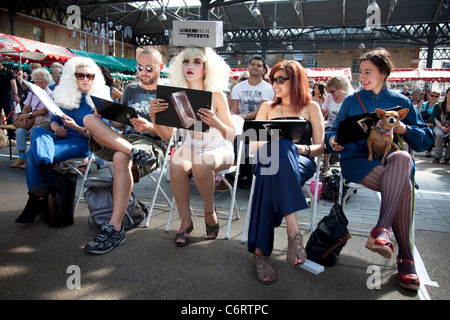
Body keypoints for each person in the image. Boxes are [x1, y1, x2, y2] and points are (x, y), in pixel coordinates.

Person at [326, 48, 434, 291]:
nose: (361, 77)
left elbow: (426, 139)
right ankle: (406, 259)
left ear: (384, 73)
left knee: (403, 158)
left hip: (391, 161)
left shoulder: (402, 102)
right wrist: (332, 141)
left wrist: (405, 130)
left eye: (368, 72)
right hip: (357, 160)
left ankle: (382, 229)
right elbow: (332, 132)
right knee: (402, 183)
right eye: (360, 72)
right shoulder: (352, 101)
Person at [83, 47, 168, 255]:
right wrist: (105, 113)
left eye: (149, 68)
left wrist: (147, 126)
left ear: (160, 67)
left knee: (122, 156)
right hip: (124, 140)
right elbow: (120, 124)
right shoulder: (130, 89)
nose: (144, 72)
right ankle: (131, 151)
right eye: (140, 67)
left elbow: (167, 135)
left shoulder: (168, 94)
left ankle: (115, 228)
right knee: (89, 119)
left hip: (151, 145)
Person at [247, 60, 324, 284]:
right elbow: (253, 146)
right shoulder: (266, 108)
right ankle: (294, 231)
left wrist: (298, 147)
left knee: (278, 160)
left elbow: (320, 147)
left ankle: (260, 254)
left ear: (296, 81)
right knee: (278, 149)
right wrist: (278, 143)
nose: (275, 84)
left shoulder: (312, 108)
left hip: (300, 160)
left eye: (281, 79)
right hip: (265, 159)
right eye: (273, 79)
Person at [150, 47, 235, 246]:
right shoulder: (176, 94)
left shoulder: (216, 95)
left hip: (220, 147)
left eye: (197, 61)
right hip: (192, 145)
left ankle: (209, 211)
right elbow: (166, 135)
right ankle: (186, 222)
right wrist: (153, 116)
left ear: (207, 67)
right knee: (176, 165)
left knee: (201, 164)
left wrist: (217, 123)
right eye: (186, 62)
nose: (190, 66)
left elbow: (231, 135)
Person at [15, 57, 110, 224]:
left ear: (96, 78)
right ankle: (45, 181)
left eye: (90, 76)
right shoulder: (68, 97)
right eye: (80, 75)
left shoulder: (99, 101)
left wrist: (74, 127)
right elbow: (54, 119)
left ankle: (37, 198)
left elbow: (100, 136)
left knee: (31, 155)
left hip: (81, 141)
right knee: (38, 131)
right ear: (73, 78)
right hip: (60, 136)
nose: (85, 79)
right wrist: (55, 127)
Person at [10, 68, 54, 169]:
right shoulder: (32, 93)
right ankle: (21, 157)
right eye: (36, 79)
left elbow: (44, 110)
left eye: (41, 79)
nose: (38, 81)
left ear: (47, 80)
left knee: (35, 132)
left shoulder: (51, 94)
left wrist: (28, 115)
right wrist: (24, 117)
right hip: (32, 121)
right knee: (20, 132)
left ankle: (30, 159)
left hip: (44, 121)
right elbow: (25, 107)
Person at [319, 76, 354, 176]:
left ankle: (346, 167)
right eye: (329, 91)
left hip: (345, 128)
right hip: (330, 126)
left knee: (345, 141)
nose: (330, 93)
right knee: (326, 137)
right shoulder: (329, 97)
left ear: (340, 88)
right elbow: (323, 112)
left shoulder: (349, 98)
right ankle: (326, 163)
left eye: (332, 91)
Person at [0, 55, 22, 126]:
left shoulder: (8, 72)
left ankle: (12, 135)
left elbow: (13, 84)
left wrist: (15, 94)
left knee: (10, 117)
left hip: (7, 97)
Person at [418, 89, 440, 157]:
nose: (433, 97)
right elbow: (419, 115)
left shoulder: (439, 105)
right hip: (424, 123)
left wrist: (432, 124)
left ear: (438, 97)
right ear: (429, 96)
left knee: (431, 132)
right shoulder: (424, 104)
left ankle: (428, 150)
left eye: (436, 96)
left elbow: (439, 118)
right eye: (432, 95)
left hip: (435, 124)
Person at [431, 87, 450, 163]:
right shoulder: (438, 105)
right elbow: (436, 119)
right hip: (439, 125)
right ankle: (437, 156)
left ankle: (447, 157)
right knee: (439, 135)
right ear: (446, 94)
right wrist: (442, 127)